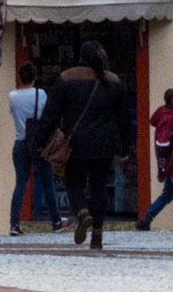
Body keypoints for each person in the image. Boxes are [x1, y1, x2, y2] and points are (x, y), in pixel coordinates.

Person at [31, 40, 130, 252]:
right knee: (99, 186)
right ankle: (97, 234)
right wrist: (126, 147)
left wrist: (39, 141)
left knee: (74, 183)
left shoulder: (67, 78)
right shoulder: (113, 80)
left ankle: (82, 212)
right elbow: (123, 117)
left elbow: (51, 113)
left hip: (75, 141)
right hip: (105, 143)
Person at [7, 64, 61, 236]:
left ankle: (14, 224)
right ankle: (56, 221)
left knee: (20, 184)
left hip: (20, 141)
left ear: (19, 77)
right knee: (48, 183)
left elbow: (12, 113)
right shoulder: (40, 94)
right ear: (34, 77)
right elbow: (47, 115)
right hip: (39, 142)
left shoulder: (12, 96)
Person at [137, 88, 173, 231]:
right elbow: (162, 144)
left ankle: (146, 219)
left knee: (168, 194)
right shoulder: (168, 119)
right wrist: (162, 169)